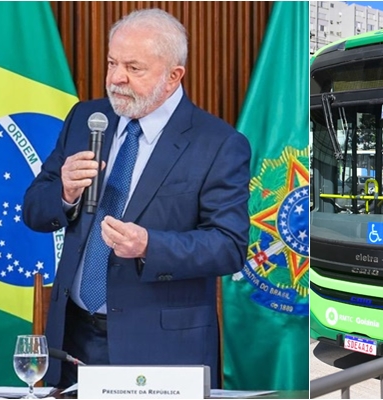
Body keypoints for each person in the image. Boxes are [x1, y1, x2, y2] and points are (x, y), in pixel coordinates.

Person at [22, 8, 250, 388]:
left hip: (160, 348)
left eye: (133, 67)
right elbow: (34, 210)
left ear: (174, 75)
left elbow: (229, 246)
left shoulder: (219, 144)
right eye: (112, 62)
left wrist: (149, 245)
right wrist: (63, 192)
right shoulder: (85, 118)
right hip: (72, 336)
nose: (115, 78)